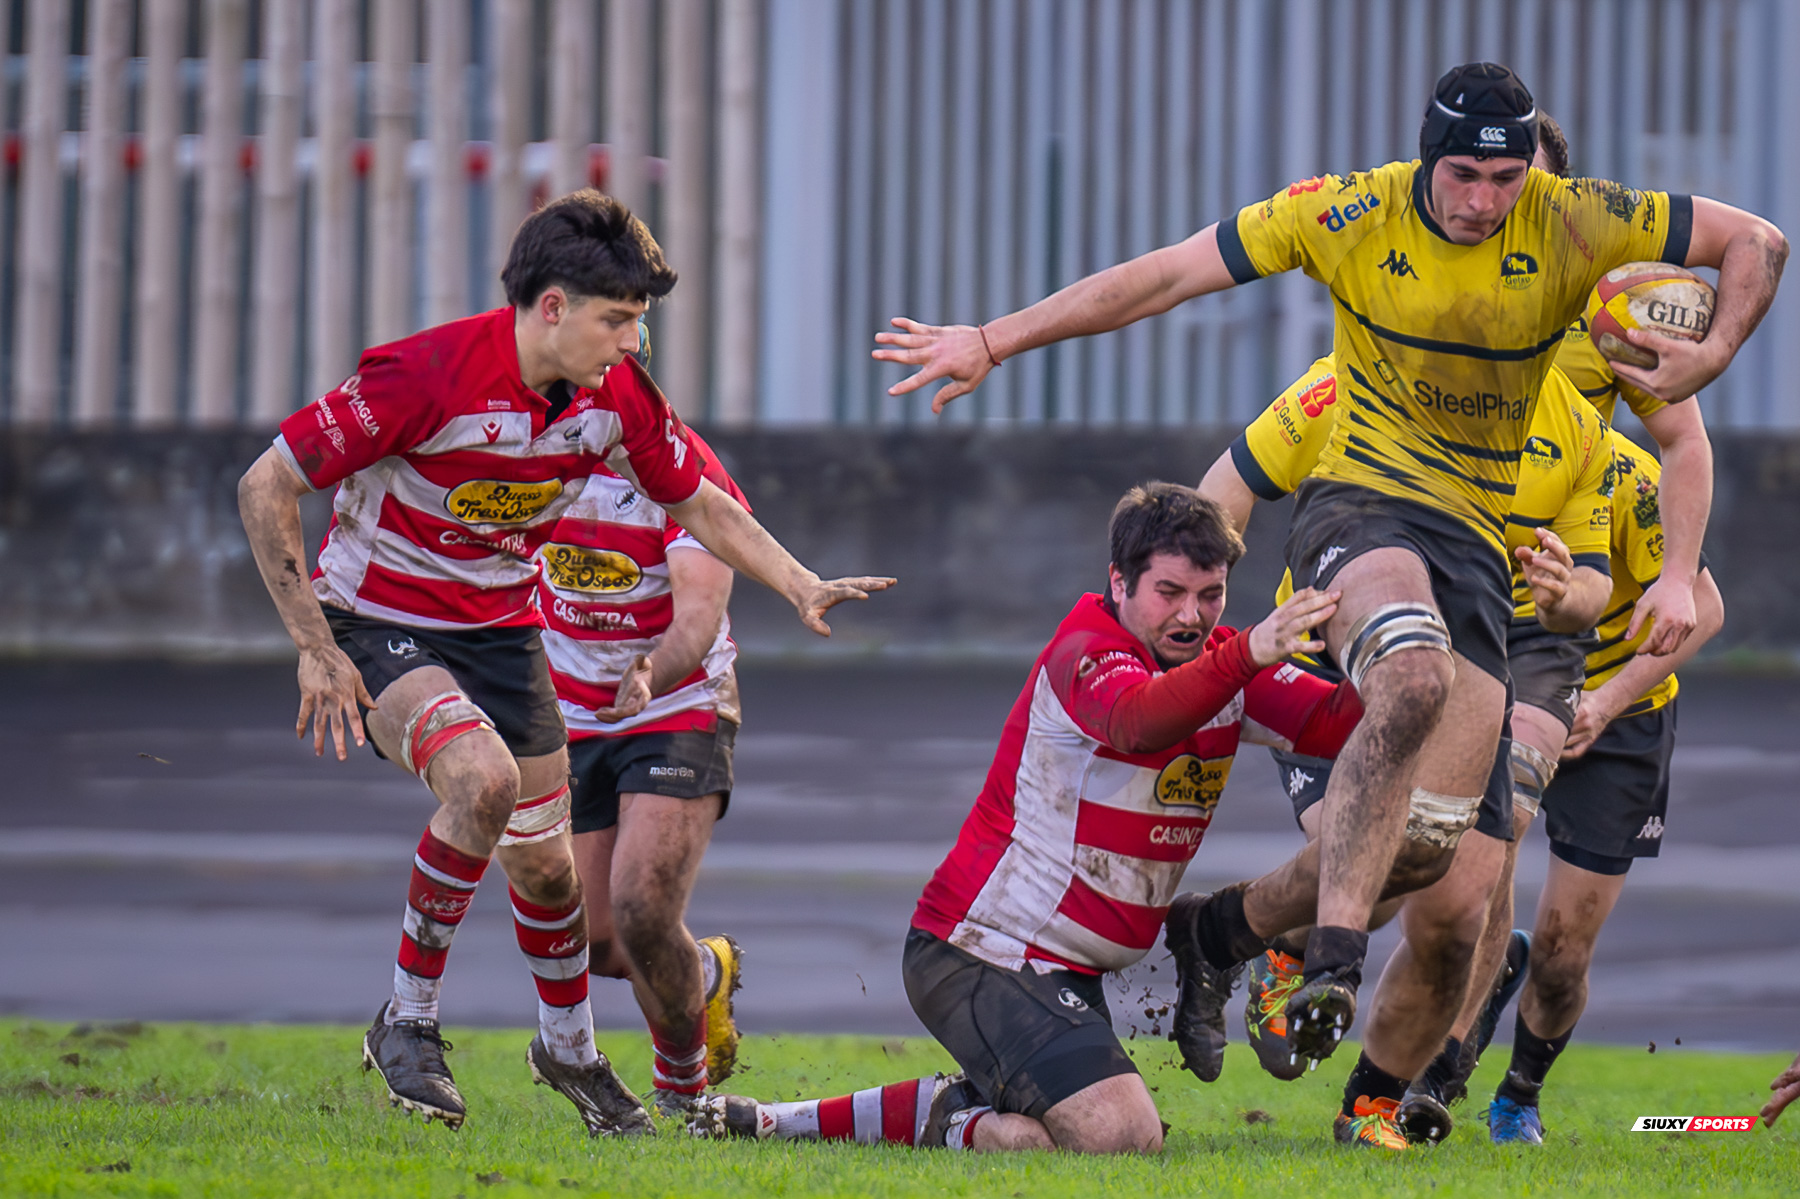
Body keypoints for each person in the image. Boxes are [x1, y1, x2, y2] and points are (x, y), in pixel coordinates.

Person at [874, 60, 1785, 1143]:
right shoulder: (1344, 210)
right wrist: (993, 338)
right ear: (1423, 156)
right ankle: (1334, 963)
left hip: (1477, 561)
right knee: (1408, 674)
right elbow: (1167, 277)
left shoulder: (1580, 243)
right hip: (1364, 512)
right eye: (1464, 175)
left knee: (1449, 885)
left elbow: (1758, 243)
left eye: (1506, 180)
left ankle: (1248, 967)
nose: (1486, 201)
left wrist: (1712, 356)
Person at [237, 190, 892, 1137]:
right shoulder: (421, 375)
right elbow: (267, 482)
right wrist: (312, 643)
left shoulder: (615, 399)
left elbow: (702, 502)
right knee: (484, 782)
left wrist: (799, 582)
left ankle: (571, 1051)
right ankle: (408, 1021)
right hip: (379, 617)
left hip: (503, 635)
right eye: (618, 320)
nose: (634, 343)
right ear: (552, 307)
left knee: (550, 875)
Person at [692, 483, 1362, 1152]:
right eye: (1169, 592)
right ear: (1119, 582)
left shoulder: (1225, 662)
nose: (1191, 614)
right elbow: (1139, 722)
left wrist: (1393, 647)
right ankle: (941, 1119)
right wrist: (1247, 653)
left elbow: (1344, 724)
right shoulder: (1089, 651)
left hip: (1063, 971)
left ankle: (792, 1120)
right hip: (980, 954)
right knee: (1123, 1134)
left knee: (1035, 1138)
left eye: (1210, 595)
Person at [1190, 353, 1613, 1147]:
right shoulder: (1355, 374)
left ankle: (1378, 1098)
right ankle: (1245, 940)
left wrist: (1566, 594)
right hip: (1330, 662)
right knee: (1369, 858)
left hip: (1483, 657)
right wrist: (1195, 619)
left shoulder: (1579, 428)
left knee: (1458, 898)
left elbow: (1594, 587)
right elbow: (1227, 486)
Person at [1485, 428, 1725, 1144]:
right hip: (1509, 697)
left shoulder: (1630, 475)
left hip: (1618, 723)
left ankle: (1519, 1094)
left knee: (1562, 955)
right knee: (1459, 911)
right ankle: (1425, 1078)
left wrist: (1604, 702)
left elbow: (1706, 609)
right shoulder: (1465, 457)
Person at [539, 420, 753, 1125]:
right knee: (597, 940)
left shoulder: (685, 473)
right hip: (569, 714)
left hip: (677, 705)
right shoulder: (525, 464)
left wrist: (651, 671)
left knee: (641, 908)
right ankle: (706, 970)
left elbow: (699, 609)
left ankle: (685, 1091)